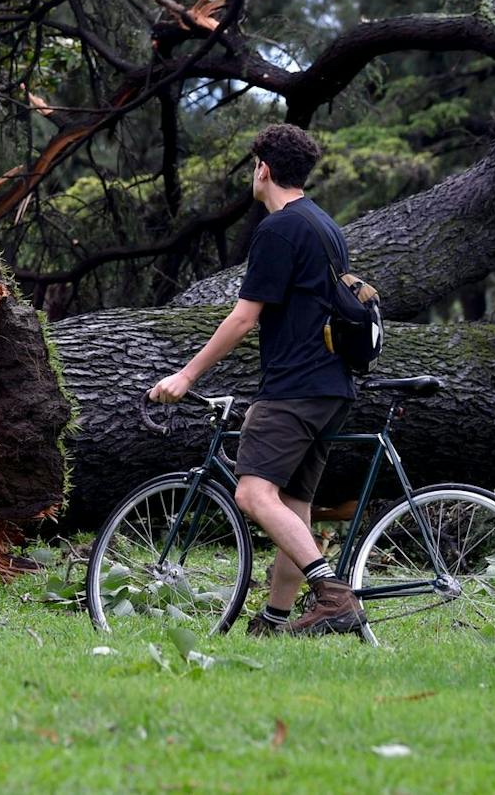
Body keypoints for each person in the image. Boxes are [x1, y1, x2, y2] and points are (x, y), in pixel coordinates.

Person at [146, 123, 363, 637]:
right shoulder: (325, 226)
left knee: (252, 494)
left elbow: (243, 318)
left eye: (253, 165)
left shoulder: (280, 228)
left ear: (263, 168)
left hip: (294, 388)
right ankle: (274, 620)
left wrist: (186, 374)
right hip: (332, 387)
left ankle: (334, 596)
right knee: (294, 508)